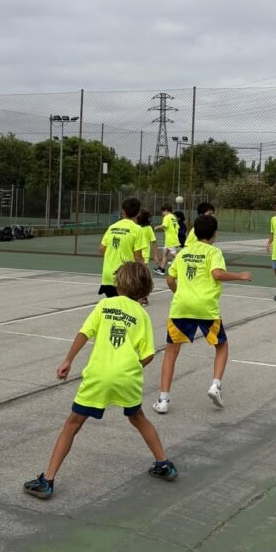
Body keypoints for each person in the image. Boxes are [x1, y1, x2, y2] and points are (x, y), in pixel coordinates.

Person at [23, 262, 177, 500]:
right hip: (127, 377)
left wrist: (68, 360)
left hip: (98, 375)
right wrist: (131, 368)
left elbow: (84, 332)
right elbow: (147, 355)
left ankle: (48, 479)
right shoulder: (142, 315)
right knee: (138, 418)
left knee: (72, 425)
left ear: (119, 283)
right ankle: (163, 463)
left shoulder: (105, 304)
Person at [152, 214, 251, 414]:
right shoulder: (214, 252)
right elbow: (217, 274)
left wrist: (180, 293)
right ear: (215, 234)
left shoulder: (183, 252)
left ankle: (163, 399)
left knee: (171, 352)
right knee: (221, 345)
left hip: (181, 307)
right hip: (206, 308)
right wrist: (240, 275)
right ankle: (215, 385)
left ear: (194, 232)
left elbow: (170, 280)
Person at [99, 197, 143, 297]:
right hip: (125, 276)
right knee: (127, 309)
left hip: (108, 276)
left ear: (123, 211)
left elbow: (101, 249)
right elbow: (138, 257)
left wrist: (112, 257)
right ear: (139, 212)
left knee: (113, 308)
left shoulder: (112, 227)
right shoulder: (137, 229)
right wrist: (144, 272)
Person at [136, 209, 159, 305]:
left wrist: (156, 255)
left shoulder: (148, 228)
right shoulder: (136, 228)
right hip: (135, 254)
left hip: (144, 256)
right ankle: (137, 295)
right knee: (136, 275)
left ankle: (144, 296)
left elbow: (154, 242)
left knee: (142, 276)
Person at [154, 205, 179, 275]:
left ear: (166, 210)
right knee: (165, 253)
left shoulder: (167, 217)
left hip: (170, 239)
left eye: (162, 212)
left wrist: (157, 227)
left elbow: (164, 226)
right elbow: (177, 227)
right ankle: (162, 269)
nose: (162, 214)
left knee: (173, 254)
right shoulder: (174, 217)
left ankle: (184, 263)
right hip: (171, 238)